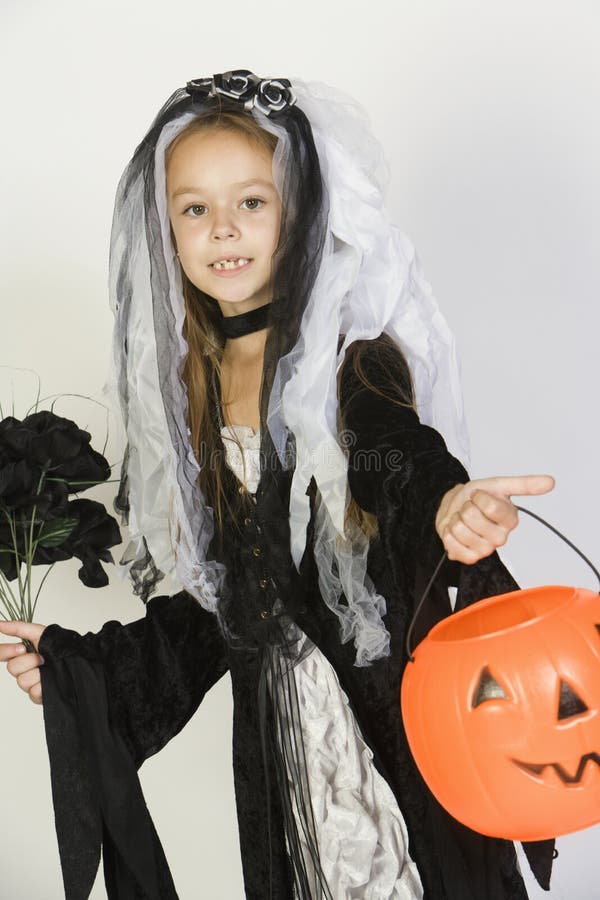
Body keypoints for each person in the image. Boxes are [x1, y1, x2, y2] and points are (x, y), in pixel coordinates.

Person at [0, 70, 556, 899]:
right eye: (194, 209)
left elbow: (393, 450)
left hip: (384, 732)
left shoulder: (350, 363)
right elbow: (227, 605)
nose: (223, 229)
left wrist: (445, 502)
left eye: (251, 202)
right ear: (166, 231)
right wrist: (90, 672)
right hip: (280, 756)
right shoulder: (192, 390)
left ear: (299, 212)